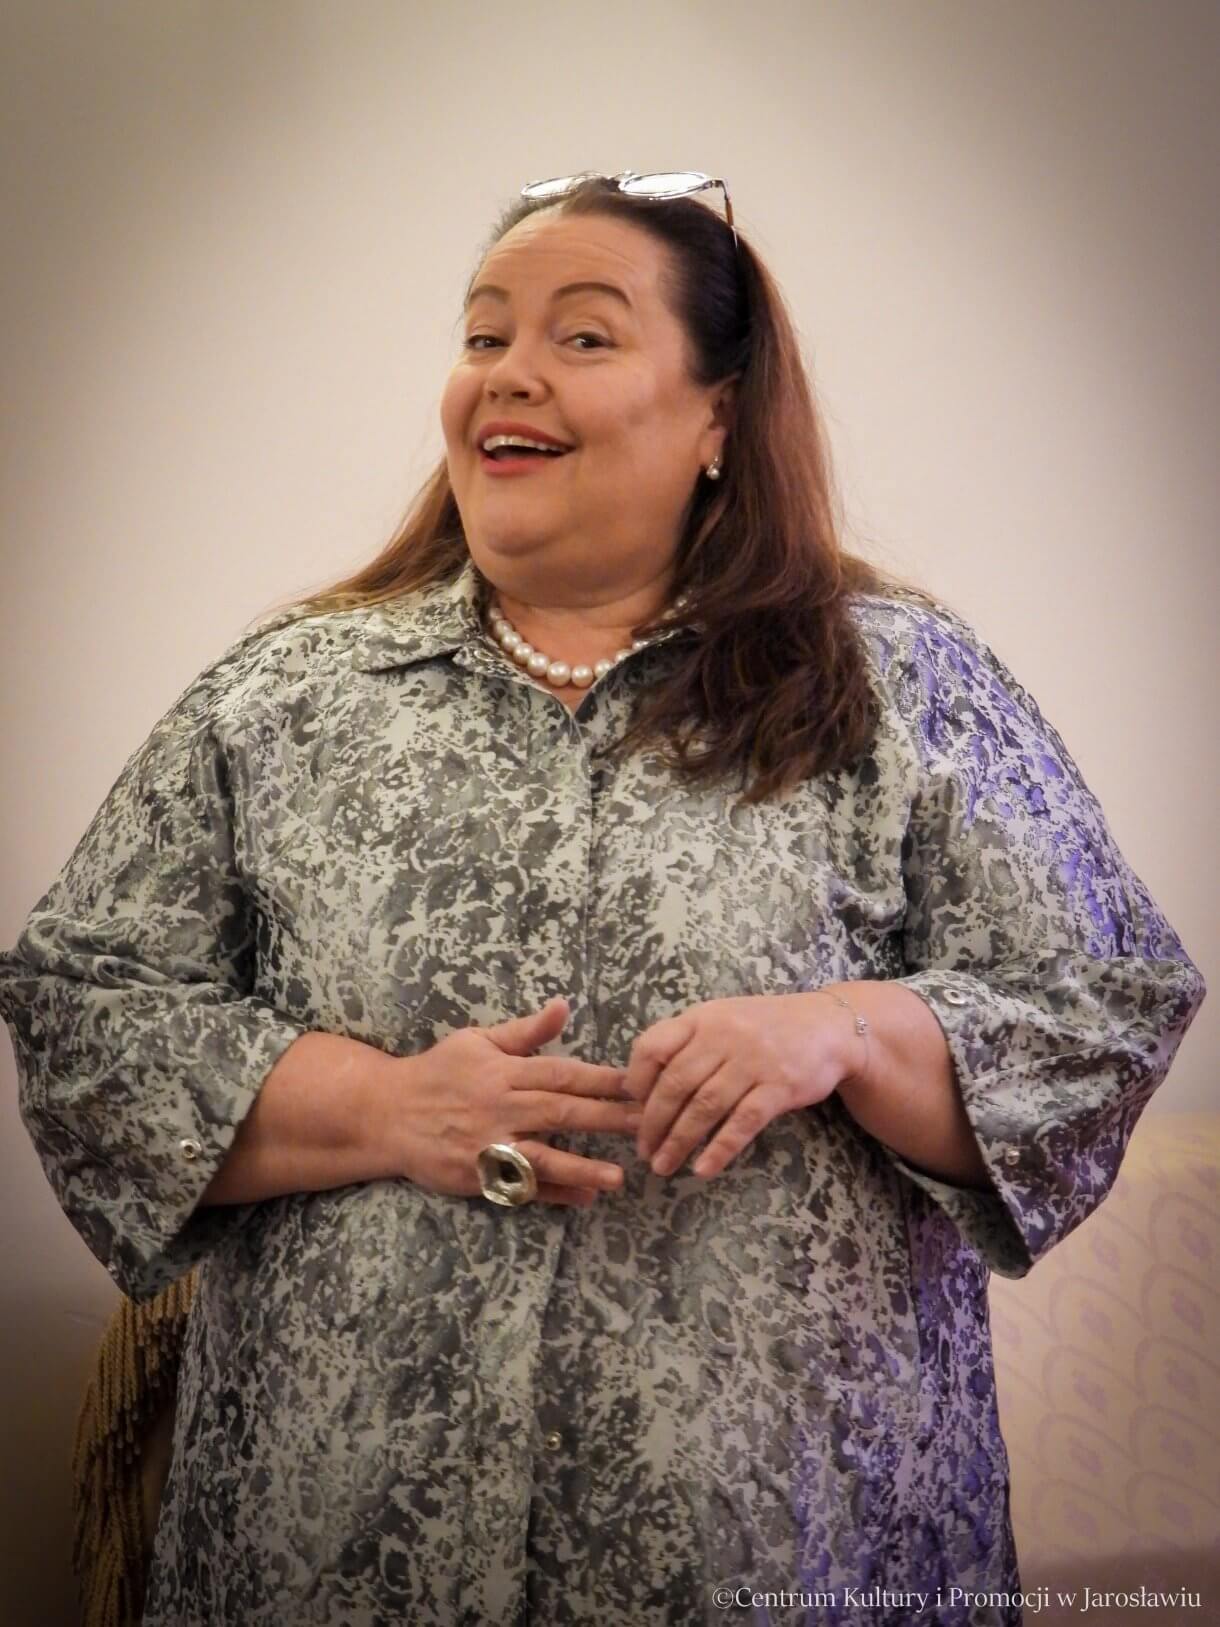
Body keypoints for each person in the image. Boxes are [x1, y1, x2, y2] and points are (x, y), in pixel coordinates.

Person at [0, 170, 1205, 1627]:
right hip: (336, 1543)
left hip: (782, 1546)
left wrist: (848, 1030)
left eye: (583, 336)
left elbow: (1103, 1007)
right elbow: (84, 1007)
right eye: (485, 334)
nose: (510, 372)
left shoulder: (902, 689)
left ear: (718, 417)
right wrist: (386, 1109)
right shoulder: (280, 700)